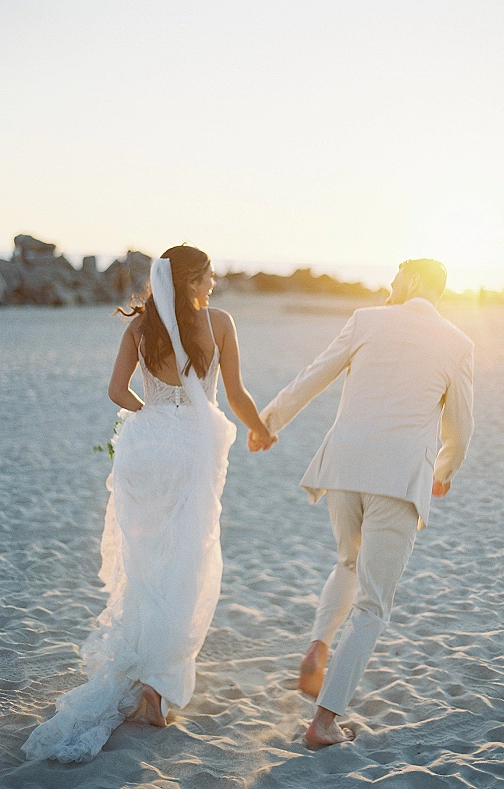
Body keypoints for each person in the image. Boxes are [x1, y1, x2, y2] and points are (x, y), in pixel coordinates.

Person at [22, 245, 275, 763]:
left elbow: (118, 391)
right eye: (207, 277)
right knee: (186, 564)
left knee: (147, 563)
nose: (213, 286)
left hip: (147, 454)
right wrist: (261, 430)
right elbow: (236, 393)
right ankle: (155, 693)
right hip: (195, 453)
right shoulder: (220, 323)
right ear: (190, 281)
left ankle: (145, 677)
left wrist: (152, 417)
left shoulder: (140, 328)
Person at [252, 259, 474, 747]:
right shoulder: (458, 343)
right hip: (397, 478)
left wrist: (268, 422)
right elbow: (461, 428)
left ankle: (318, 645)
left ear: (416, 281)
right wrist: (443, 472)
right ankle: (324, 723)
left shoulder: (366, 320)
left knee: (347, 561)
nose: (389, 288)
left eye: (396, 280)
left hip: (345, 468)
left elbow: (315, 375)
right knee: (373, 605)